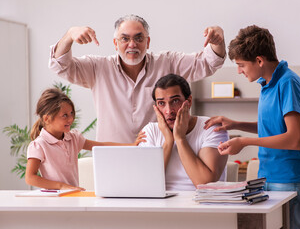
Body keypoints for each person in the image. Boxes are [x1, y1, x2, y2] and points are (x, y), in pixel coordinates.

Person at [204, 25, 300, 229]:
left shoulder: (287, 83)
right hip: (270, 176)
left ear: (259, 60)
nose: (239, 71)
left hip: (290, 178)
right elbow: (275, 129)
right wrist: (236, 124)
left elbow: (295, 139)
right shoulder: (268, 85)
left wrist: (245, 142)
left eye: (241, 65)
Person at [49, 14, 226, 144]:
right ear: (115, 43)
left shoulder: (167, 62)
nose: (132, 44)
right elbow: (61, 66)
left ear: (147, 42)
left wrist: (217, 38)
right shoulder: (98, 68)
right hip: (113, 159)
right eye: (125, 39)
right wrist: (70, 35)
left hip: (160, 157)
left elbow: (208, 63)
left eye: (138, 38)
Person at [25, 88, 145, 191]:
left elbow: (101, 146)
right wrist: (61, 186)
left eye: (71, 113)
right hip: (53, 200)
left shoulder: (73, 138)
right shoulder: (39, 145)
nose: (71, 119)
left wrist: (132, 145)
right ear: (47, 119)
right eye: (65, 115)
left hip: (73, 195)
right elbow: (30, 177)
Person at [139, 74, 229, 191]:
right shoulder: (150, 131)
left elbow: (205, 185)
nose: (168, 111)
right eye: (161, 103)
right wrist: (169, 141)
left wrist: (180, 139)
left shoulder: (211, 128)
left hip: (202, 205)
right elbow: (147, 184)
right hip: (161, 206)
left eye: (175, 101)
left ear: (189, 101)